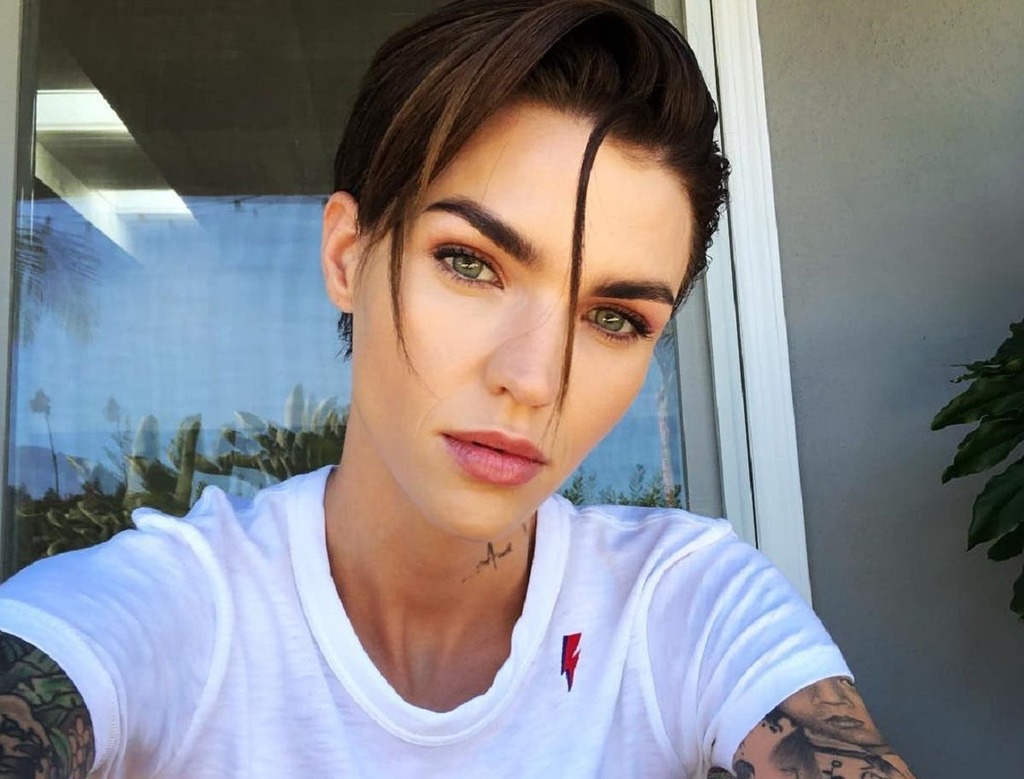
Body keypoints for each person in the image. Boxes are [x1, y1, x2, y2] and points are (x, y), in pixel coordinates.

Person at [0, 1, 917, 777]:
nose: (534, 379)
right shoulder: (166, 613)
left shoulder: (684, 604)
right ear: (347, 256)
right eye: (470, 263)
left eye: (614, 317)